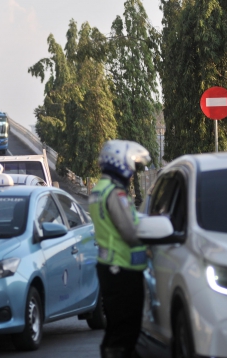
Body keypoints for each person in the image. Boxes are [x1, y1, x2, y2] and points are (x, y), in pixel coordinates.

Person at [88, 140, 151, 358]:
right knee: (125, 329)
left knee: (116, 327)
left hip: (109, 266)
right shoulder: (115, 193)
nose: (133, 171)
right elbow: (130, 232)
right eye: (132, 164)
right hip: (122, 267)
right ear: (120, 163)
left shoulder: (99, 190)